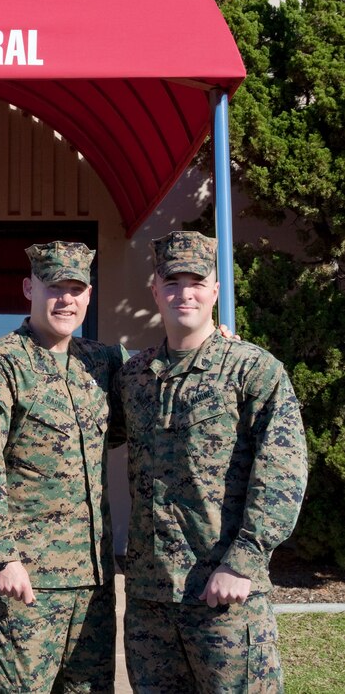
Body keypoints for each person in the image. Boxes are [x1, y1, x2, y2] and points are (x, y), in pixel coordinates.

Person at [112, 230, 308, 692]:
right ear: (155, 290)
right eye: (172, 281)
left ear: (216, 290)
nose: (185, 293)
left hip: (222, 592)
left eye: (197, 281)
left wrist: (243, 561)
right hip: (149, 598)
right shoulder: (134, 376)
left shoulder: (252, 370)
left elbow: (283, 470)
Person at [0, 241, 125, 693]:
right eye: (54, 287)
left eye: (76, 288)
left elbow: (158, 392)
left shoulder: (103, 363)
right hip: (27, 584)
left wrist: (215, 341)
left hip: (93, 583)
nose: (65, 299)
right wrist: (1, 556)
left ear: (89, 295)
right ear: (30, 287)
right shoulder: (1, 364)